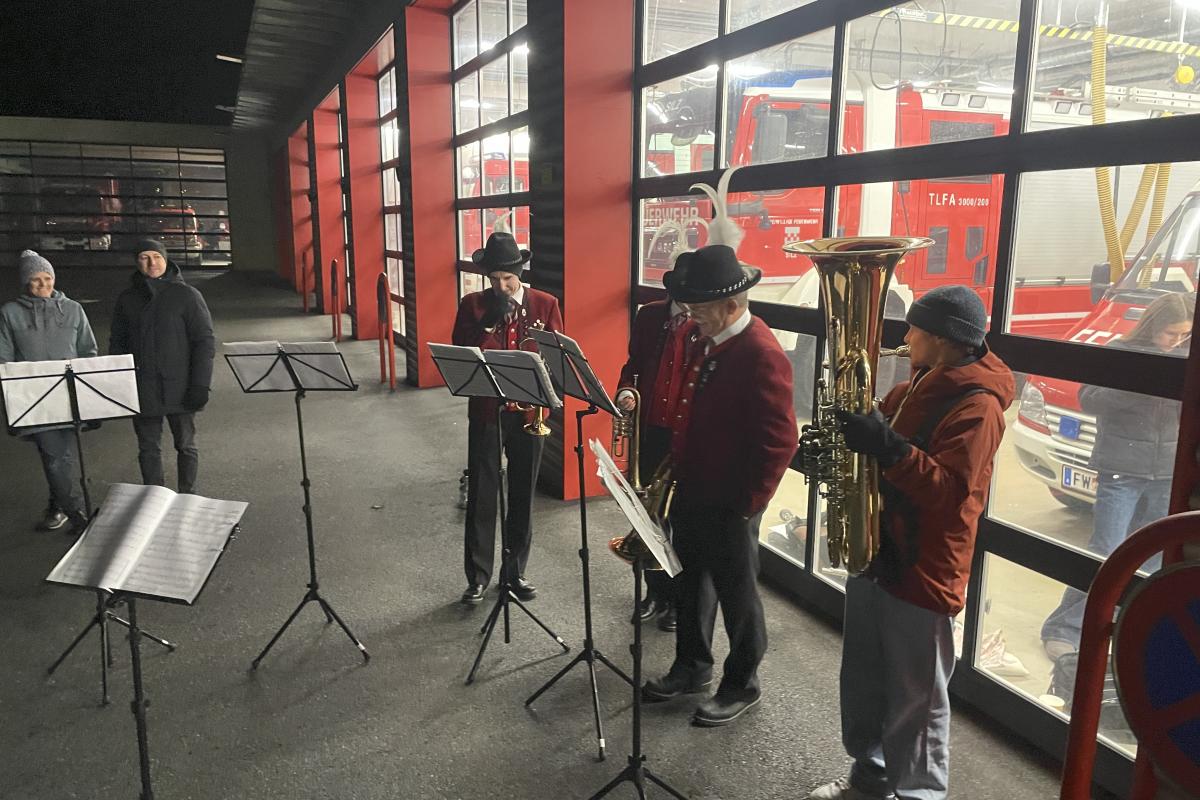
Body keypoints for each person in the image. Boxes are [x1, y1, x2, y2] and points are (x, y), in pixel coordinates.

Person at [806, 284, 1014, 800]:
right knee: (866, 680)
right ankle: (870, 777)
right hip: (877, 551)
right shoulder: (915, 385)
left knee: (917, 700)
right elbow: (878, 448)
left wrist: (887, 446)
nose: (906, 337)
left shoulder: (978, 406)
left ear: (942, 339)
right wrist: (839, 445)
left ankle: (920, 793)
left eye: (915, 329)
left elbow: (949, 492)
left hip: (924, 566)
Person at [641, 243, 797, 727]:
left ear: (732, 304)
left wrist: (748, 504)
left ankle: (742, 683)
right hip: (694, 488)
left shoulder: (761, 353)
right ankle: (692, 666)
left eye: (700, 309)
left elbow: (780, 442)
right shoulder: (705, 337)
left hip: (732, 501)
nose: (692, 317)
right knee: (689, 584)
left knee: (738, 596)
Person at [1040, 291, 1194, 660]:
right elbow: (1090, 399)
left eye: (1184, 335)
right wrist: (1144, 384)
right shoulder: (1121, 350)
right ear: (1152, 326)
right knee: (1104, 551)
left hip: (1166, 470)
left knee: (1155, 553)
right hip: (1121, 470)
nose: (1176, 341)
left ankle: (1125, 626)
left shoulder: (1187, 354)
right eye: (1170, 333)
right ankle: (1064, 628)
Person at [451, 230, 563, 606]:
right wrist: (487, 325)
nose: (500, 286)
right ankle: (478, 576)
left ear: (520, 274)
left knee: (522, 494)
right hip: (488, 411)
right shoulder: (472, 305)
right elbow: (461, 353)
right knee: (482, 492)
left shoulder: (545, 304)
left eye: (507, 278)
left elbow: (557, 359)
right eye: (494, 279)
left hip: (530, 413)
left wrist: (548, 397)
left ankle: (514, 572)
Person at [614, 274, 699, 633]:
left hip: (688, 435)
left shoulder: (707, 320)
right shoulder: (649, 315)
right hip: (651, 430)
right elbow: (633, 365)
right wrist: (626, 391)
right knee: (647, 517)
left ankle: (680, 601)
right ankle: (654, 593)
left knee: (682, 521)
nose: (689, 303)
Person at [0, 250, 97, 534]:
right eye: (35, 280)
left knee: (60, 457)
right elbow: (4, 359)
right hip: (35, 398)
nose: (43, 284)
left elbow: (88, 350)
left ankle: (56, 506)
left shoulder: (74, 309)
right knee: (56, 457)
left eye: (48, 278)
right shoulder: (9, 313)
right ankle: (75, 513)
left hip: (70, 396)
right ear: (25, 282)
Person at [110, 238, 215, 495]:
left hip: (181, 385)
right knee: (148, 448)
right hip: (143, 385)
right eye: (144, 258)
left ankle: (187, 495)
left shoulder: (187, 295)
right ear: (137, 263)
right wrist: (120, 382)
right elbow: (118, 343)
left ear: (166, 259)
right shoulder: (127, 299)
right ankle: (154, 498)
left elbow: (204, 341)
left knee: (186, 445)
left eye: (156, 257)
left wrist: (200, 384)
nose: (152, 263)